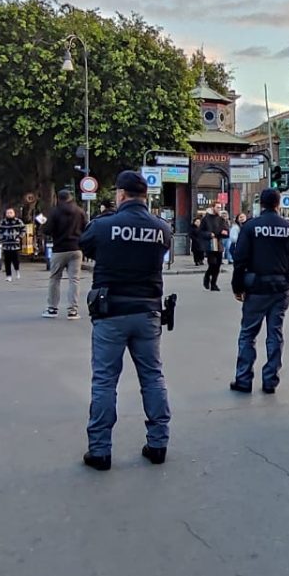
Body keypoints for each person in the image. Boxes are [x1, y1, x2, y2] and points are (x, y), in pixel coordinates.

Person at [77, 171, 173, 471]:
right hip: (148, 313)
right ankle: (158, 443)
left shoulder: (104, 226)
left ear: (120, 194)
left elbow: (86, 245)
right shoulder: (162, 229)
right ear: (146, 196)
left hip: (111, 313)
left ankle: (100, 451)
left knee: (105, 380)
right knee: (152, 377)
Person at [229, 188, 289, 394]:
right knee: (275, 334)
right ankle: (270, 380)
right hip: (280, 288)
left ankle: (243, 379)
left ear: (261, 204)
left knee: (248, 334)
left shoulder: (250, 227)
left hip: (256, 288)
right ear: (278, 203)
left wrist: (237, 286)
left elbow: (240, 260)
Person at [40, 189, 90, 319]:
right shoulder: (80, 212)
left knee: (54, 279)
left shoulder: (55, 212)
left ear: (58, 198)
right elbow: (87, 228)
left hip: (59, 249)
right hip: (76, 249)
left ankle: (52, 308)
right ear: (71, 198)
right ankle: (73, 310)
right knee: (74, 279)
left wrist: (42, 223)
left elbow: (47, 230)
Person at [200, 203, 230, 291]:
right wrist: (209, 234)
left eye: (220, 208)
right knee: (212, 264)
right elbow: (201, 232)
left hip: (219, 244)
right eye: (217, 207)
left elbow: (226, 230)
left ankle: (214, 284)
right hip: (210, 244)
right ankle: (207, 276)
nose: (219, 209)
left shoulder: (221, 219)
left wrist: (225, 233)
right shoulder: (206, 219)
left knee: (217, 265)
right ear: (213, 208)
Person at [0, 208, 25, 281]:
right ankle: (8, 275)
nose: (9, 214)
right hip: (6, 245)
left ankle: (17, 270)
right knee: (7, 261)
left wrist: (20, 237)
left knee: (16, 260)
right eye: (8, 213)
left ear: (14, 213)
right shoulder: (3, 222)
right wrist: (2, 238)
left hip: (15, 244)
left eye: (11, 212)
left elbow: (23, 229)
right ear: (6, 214)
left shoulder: (18, 221)